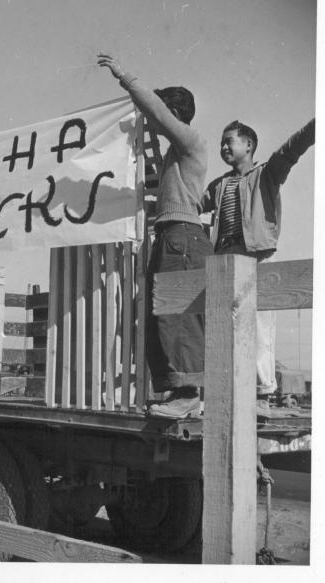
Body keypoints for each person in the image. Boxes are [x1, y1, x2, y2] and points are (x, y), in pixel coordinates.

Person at [98, 53, 213, 418]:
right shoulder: (172, 157)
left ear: (176, 115)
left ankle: (188, 394)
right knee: (160, 314)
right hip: (170, 234)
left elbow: (158, 115)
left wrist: (125, 78)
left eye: (165, 112)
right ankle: (180, 391)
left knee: (178, 314)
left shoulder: (192, 141)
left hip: (183, 236)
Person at [202, 118, 315, 416]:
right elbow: (193, 204)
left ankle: (263, 392)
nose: (224, 147)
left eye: (230, 141)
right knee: (225, 325)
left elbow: (291, 149)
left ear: (249, 145)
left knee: (261, 325)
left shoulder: (266, 173)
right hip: (225, 258)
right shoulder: (220, 184)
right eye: (221, 143)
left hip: (257, 255)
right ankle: (228, 388)